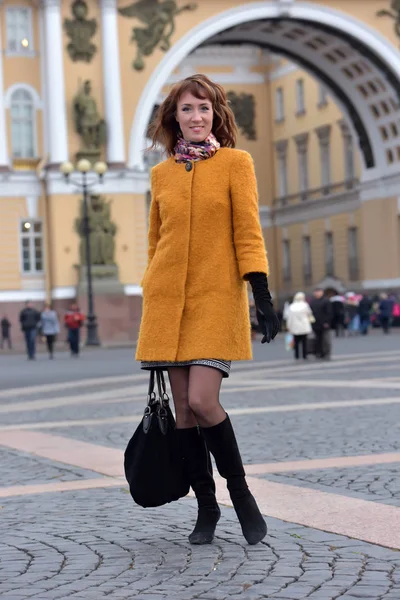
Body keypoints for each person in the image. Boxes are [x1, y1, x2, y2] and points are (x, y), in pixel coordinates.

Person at [136, 74, 280, 546]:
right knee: (182, 414)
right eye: (186, 110)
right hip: (167, 306)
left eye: (203, 109)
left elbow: (248, 231)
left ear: (215, 114)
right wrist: (150, 289)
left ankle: (241, 496)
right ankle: (206, 508)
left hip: (217, 302)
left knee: (202, 401)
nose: (195, 117)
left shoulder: (237, 164)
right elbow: (157, 243)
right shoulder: (161, 176)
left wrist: (261, 295)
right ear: (173, 119)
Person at [286, 292, 313, 360]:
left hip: (295, 326)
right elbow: (309, 314)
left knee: (296, 342)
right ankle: (304, 355)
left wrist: (288, 326)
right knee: (304, 342)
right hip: (304, 325)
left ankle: (297, 355)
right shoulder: (305, 305)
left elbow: (289, 317)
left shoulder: (291, 306)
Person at [309, 288, 332, 359]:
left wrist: (327, 322)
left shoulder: (326, 301)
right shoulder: (312, 302)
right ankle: (319, 352)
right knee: (317, 339)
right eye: (316, 292)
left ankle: (326, 353)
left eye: (318, 292)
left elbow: (329, 312)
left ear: (322, 292)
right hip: (315, 324)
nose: (317, 293)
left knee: (326, 340)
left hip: (324, 324)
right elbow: (310, 313)